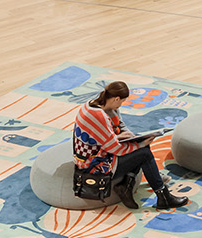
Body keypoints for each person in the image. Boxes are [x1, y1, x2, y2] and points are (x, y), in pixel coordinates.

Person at [71, 80, 190, 211]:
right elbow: (115, 149)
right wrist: (141, 144)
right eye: (122, 101)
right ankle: (163, 196)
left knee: (140, 145)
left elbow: (118, 126)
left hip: (99, 151)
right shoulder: (98, 116)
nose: (121, 105)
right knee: (144, 153)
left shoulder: (97, 104)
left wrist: (132, 137)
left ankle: (127, 186)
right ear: (116, 98)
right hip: (94, 164)